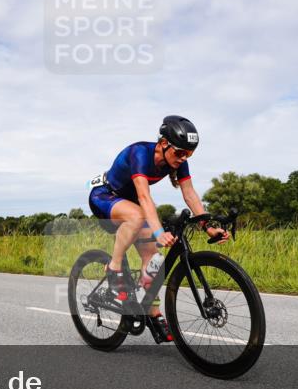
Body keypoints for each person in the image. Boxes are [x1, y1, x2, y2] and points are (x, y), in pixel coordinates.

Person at [87, 115, 231, 343]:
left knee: (153, 260)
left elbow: (190, 194)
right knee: (137, 216)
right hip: (105, 196)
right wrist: (157, 231)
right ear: (164, 143)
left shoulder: (179, 159)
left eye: (189, 154)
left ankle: (152, 314)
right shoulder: (140, 153)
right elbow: (144, 196)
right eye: (180, 153)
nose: (183, 158)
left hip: (132, 204)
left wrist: (208, 226)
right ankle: (113, 268)